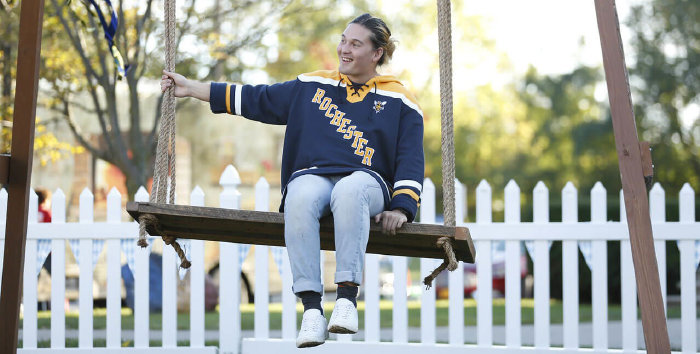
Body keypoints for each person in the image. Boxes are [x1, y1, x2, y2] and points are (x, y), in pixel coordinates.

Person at [161, 13, 424, 348]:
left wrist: (402, 207)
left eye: (355, 44)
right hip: (314, 176)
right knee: (298, 193)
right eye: (343, 40)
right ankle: (312, 310)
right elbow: (257, 98)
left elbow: (410, 160)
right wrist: (192, 88)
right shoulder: (312, 85)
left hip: (366, 182)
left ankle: (345, 300)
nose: (344, 49)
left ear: (377, 53)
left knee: (350, 188)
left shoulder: (400, 100)